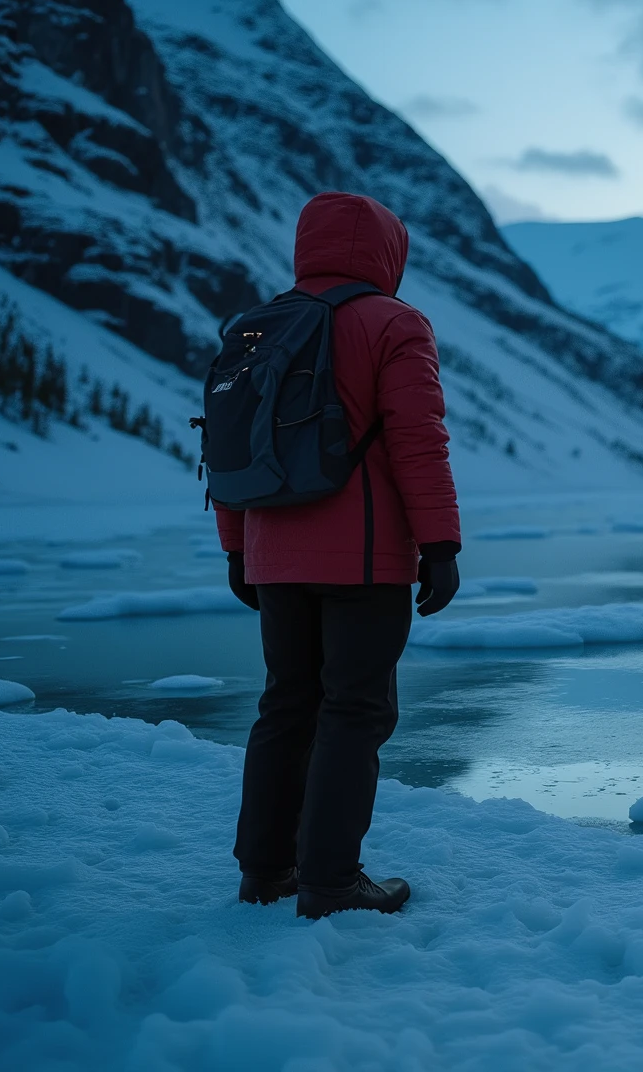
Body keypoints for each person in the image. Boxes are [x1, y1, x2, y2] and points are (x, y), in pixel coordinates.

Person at [217, 191, 462, 919]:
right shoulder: (394, 323)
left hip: (271, 552)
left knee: (285, 707)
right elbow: (418, 440)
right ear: (389, 253)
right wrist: (441, 544)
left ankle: (264, 872)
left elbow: (228, 443)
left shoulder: (255, 326)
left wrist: (238, 548)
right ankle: (331, 881)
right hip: (362, 557)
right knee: (354, 711)